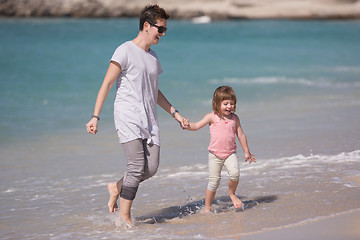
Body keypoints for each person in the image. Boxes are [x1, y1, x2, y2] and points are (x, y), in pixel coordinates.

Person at [85, 4, 187, 227]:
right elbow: (107, 83)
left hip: (149, 119)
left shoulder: (153, 57)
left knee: (150, 168)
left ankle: (116, 187)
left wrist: (175, 113)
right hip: (128, 115)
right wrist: (95, 116)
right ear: (146, 26)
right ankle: (124, 217)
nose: (163, 34)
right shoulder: (124, 50)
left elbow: (155, 91)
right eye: (160, 29)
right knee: (135, 167)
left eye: (165, 30)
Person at [184, 86, 256, 212]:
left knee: (234, 174)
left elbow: (241, 135)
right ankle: (207, 208)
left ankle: (232, 194)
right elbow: (196, 126)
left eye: (232, 103)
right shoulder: (212, 117)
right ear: (216, 103)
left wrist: (246, 152)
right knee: (214, 182)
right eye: (225, 103)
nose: (229, 106)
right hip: (214, 155)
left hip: (230, 153)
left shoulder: (235, 118)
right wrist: (187, 125)